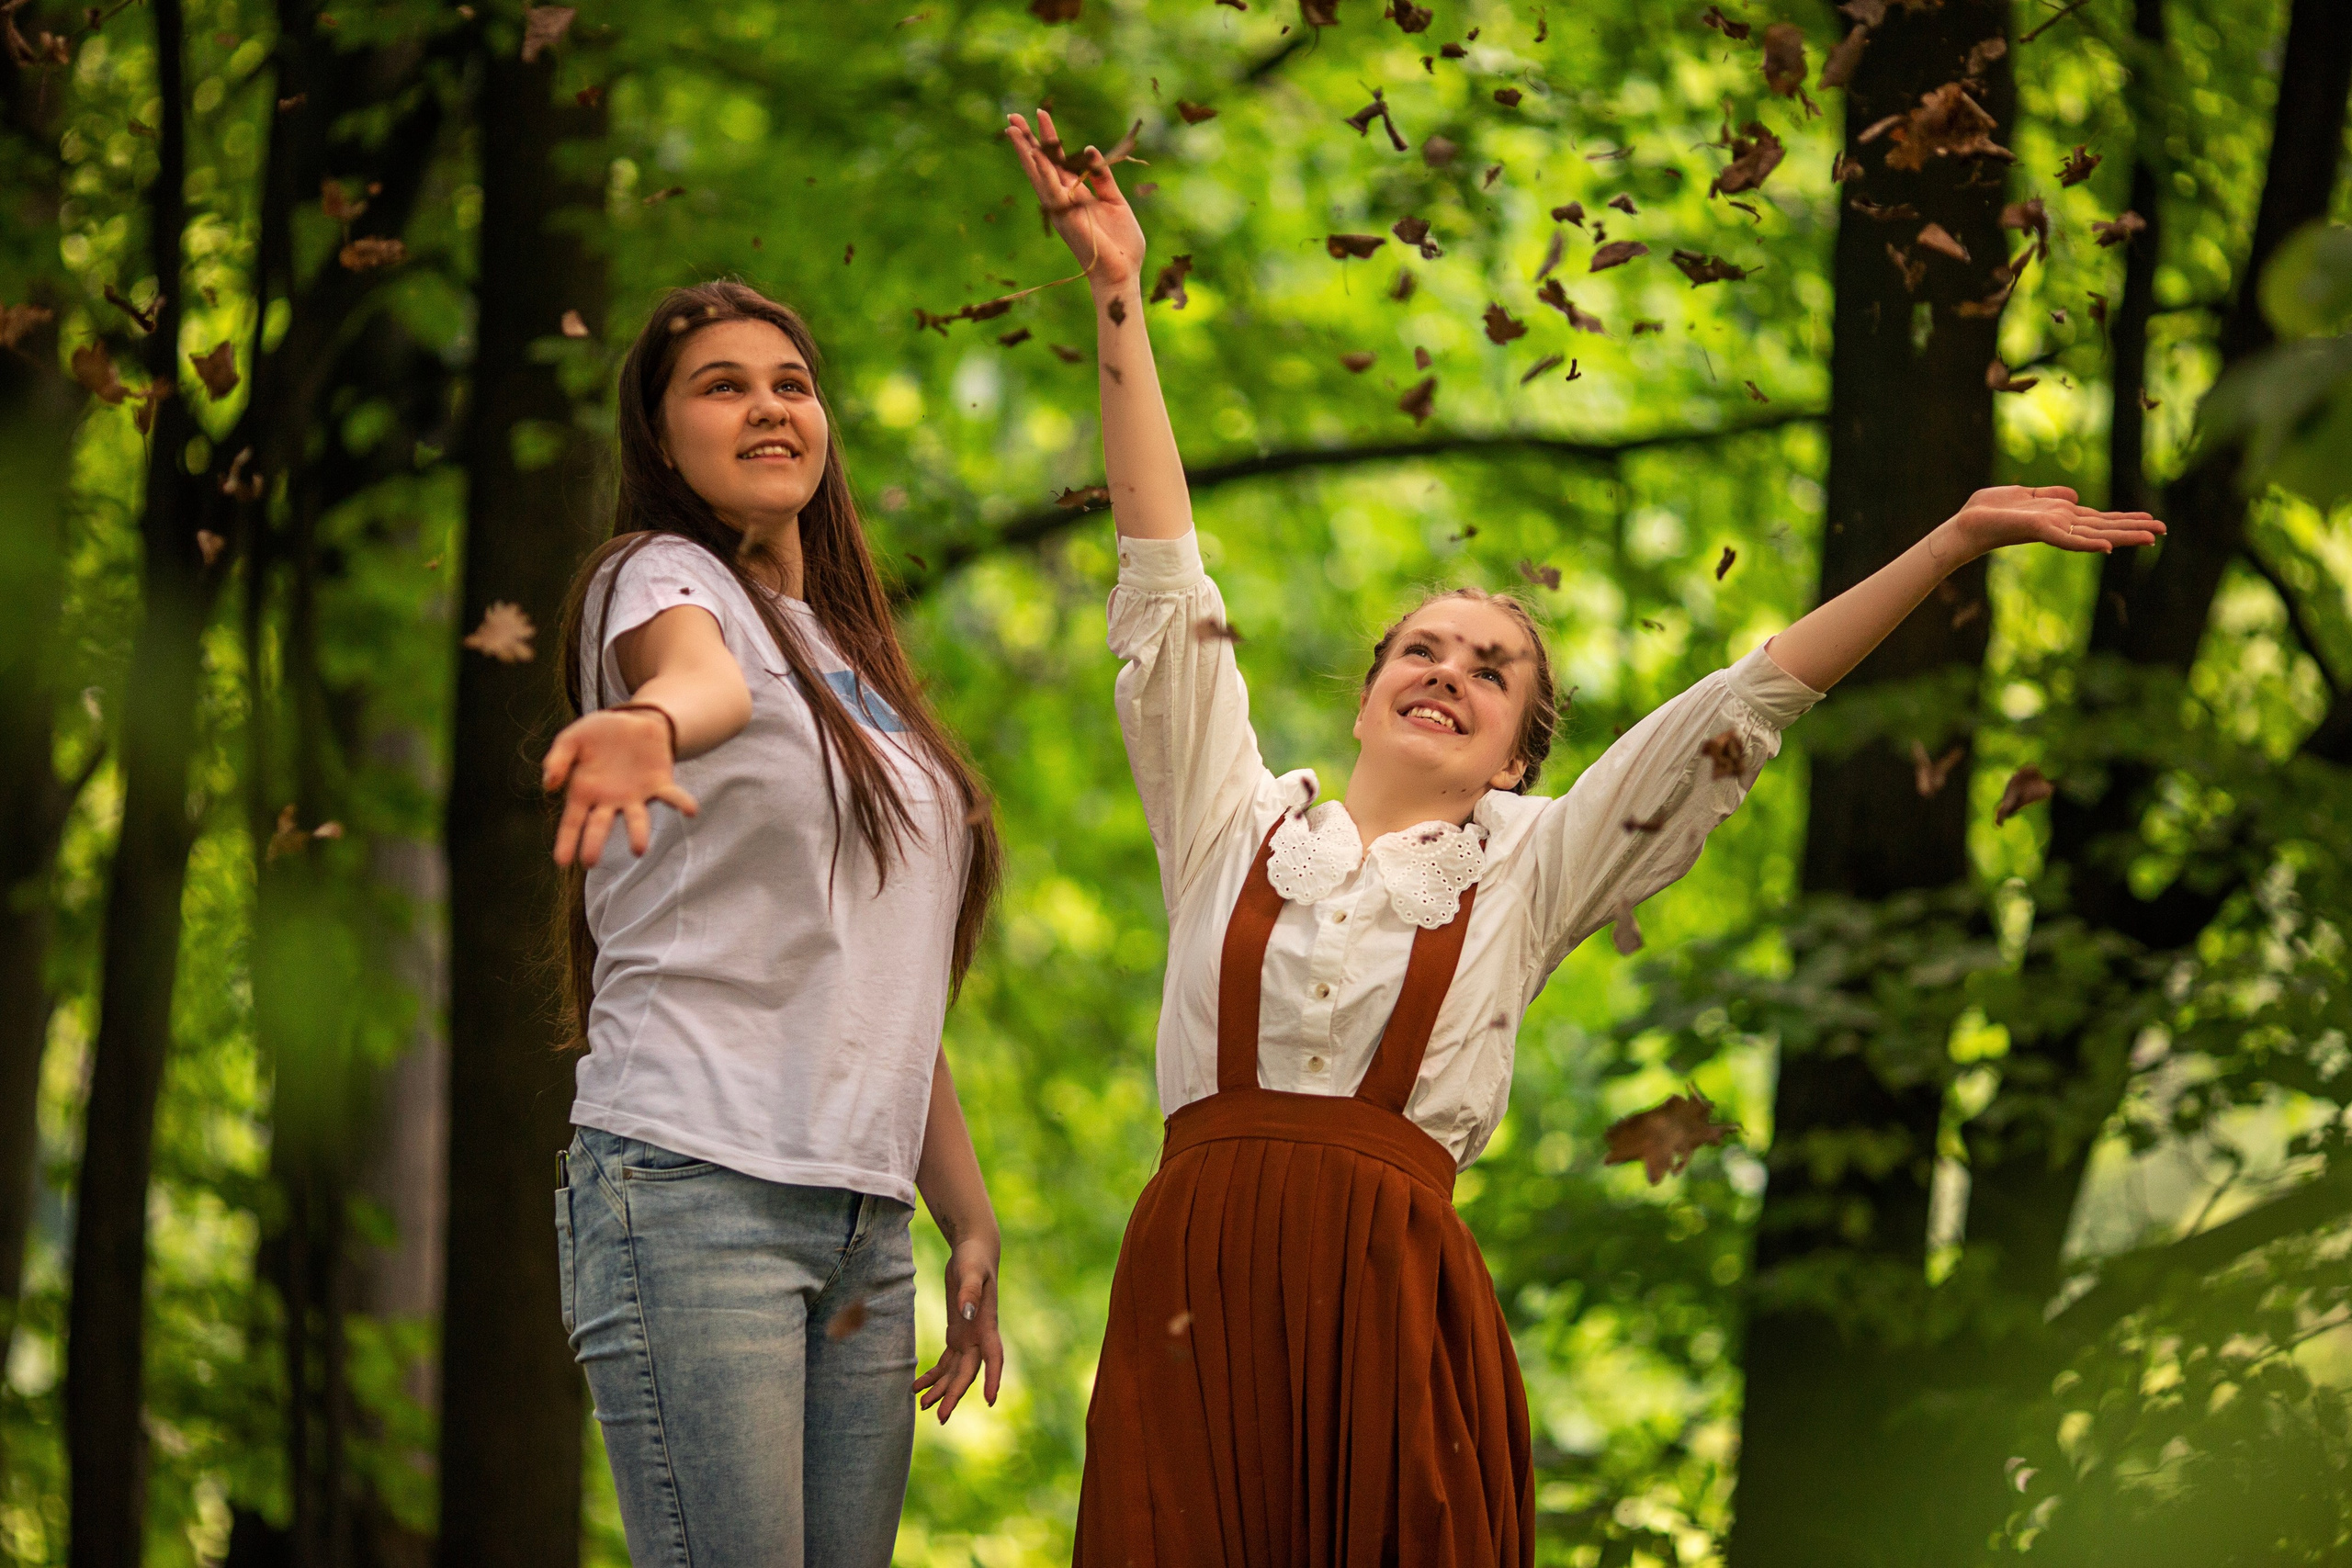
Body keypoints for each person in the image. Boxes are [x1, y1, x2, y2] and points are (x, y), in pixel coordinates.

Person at [1002, 110, 2165, 1566]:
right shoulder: (1228, 815)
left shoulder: (1531, 863)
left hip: (1385, 1287)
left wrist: (1948, 544)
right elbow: (1164, 568)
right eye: (1422, 649)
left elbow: (1748, 701)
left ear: (1520, 748)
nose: (1449, 674)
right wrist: (1116, 289)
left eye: (1493, 671)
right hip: (1193, 1275)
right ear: (1365, 695)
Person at [539, 281, 1007, 1567]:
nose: (766, 405)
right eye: (722, 385)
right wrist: (646, 726)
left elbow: (880, 978)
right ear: (661, 434)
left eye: (791, 383)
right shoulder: (661, 579)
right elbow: (698, 685)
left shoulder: (853, 663)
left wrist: (966, 1215)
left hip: (862, 1220)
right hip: (696, 1186)